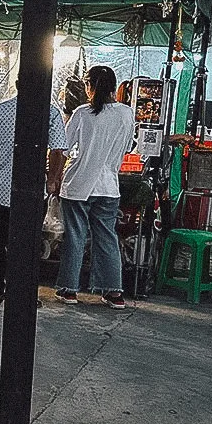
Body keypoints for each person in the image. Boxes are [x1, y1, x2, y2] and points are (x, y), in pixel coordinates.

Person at [56, 65, 135, 309]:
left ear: (89, 86)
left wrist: (54, 176)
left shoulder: (82, 113)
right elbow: (128, 147)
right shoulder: (126, 113)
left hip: (79, 184)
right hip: (109, 186)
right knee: (107, 238)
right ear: (114, 86)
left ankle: (69, 290)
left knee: (76, 237)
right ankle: (114, 292)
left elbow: (62, 148)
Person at [0, 95, 69, 304]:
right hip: (33, 189)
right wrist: (52, 179)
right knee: (29, 244)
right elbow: (57, 151)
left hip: (1, 188)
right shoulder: (49, 112)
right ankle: (24, 293)